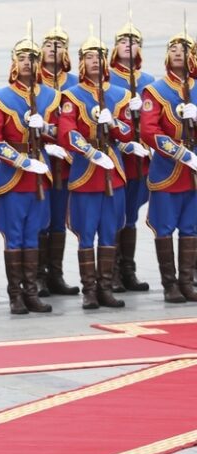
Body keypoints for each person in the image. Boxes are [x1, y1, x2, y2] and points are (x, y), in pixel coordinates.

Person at [59, 31, 137, 309]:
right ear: (81, 62)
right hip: (85, 172)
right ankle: (89, 289)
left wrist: (114, 122)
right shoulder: (71, 95)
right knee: (86, 232)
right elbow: (67, 132)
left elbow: (128, 133)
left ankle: (106, 286)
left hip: (112, 171)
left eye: (99, 57)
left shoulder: (119, 94)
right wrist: (91, 152)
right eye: (89, 57)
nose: (94, 61)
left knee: (109, 231)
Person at [0, 35, 59, 315]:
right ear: (14, 62)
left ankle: (31, 292)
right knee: (14, 236)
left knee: (33, 235)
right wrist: (19, 160)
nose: (28, 63)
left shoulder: (50, 96)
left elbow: (61, 132)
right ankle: (15, 294)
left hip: (40, 177)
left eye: (33, 57)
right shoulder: (1, 99)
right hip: (14, 178)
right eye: (23, 57)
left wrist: (47, 130)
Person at [140, 31, 197, 303]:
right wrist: (181, 153)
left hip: (195, 173)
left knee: (191, 227)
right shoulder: (155, 90)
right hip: (168, 170)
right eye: (173, 48)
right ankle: (169, 284)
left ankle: (187, 282)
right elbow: (149, 130)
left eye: (184, 49)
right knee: (164, 228)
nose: (178, 53)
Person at [109, 20, 154, 293]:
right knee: (114, 213)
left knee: (131, 215)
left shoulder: (148, 81)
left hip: (141, 158)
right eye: (123, 39)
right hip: (117, 158)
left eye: (134, 40)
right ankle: (111, 271)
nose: (128, 44)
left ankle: (128, 270)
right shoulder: (106, 77)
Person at [37, 19, 81, 298]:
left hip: (65, 163)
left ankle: (56, 274)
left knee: (57, 219)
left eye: (60, 45)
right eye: (48, 45)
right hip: (40, 162)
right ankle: (38, 275)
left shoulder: (75, 84)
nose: (53, 49)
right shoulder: (33, 81)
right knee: (41, 218)